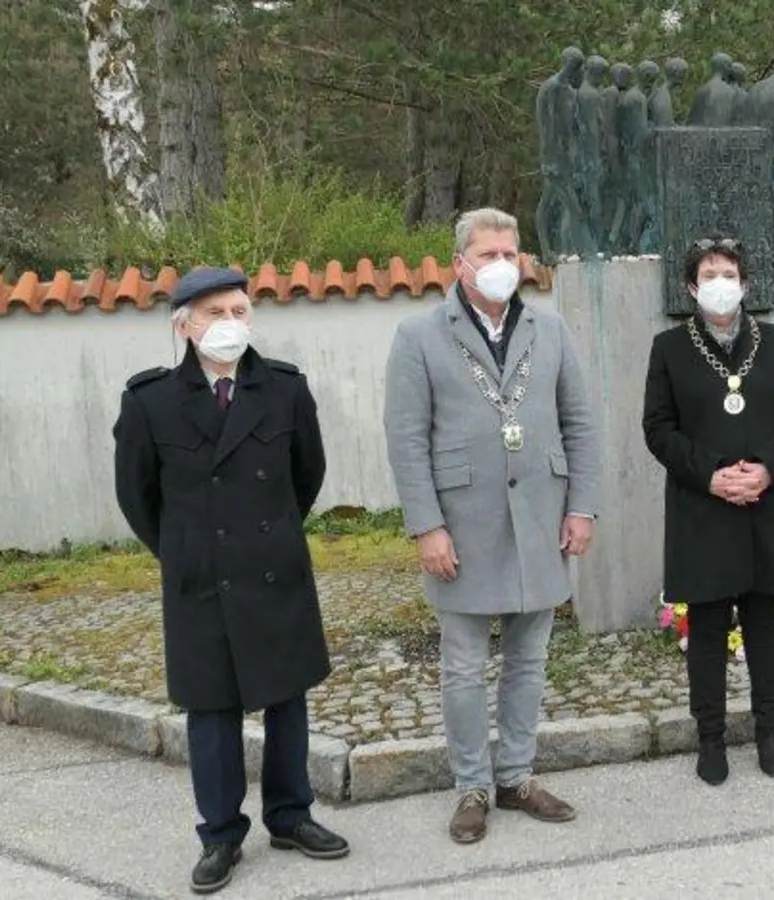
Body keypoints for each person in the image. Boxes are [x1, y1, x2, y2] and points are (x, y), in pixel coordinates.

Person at [112, 267, 348, 895]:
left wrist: (271, 535)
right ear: (184, 326)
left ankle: (291, 816)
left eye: (240, 311)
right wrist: (185, 551)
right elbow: (137, 496)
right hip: (201, 578)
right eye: (215, 313)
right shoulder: (149, 401)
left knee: (287, 699)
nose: (230, 323)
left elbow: (307, 474)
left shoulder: (286, 389)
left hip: (275, 569)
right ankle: (220, 834)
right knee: (211, 710)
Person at [383, 208, 599, 842]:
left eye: (511, 254)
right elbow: (406, 440)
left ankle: (517, 777)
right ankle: (472, 786)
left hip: (540, 519)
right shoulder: (419, 335)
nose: (503, 265)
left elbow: (579, 423)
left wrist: (581, 507)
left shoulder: (549, 328)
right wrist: (426, 526)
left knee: (529, 659)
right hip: (462, 524)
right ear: (461, 265)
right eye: (489, 254)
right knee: (463, 667)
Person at [642, 235, 774, 785]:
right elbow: (658, 429)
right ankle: (711, 739)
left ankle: (770, 733)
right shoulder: (669, 348)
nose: (720, 284)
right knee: (708, 632)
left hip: (768, 504)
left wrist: (767, 469)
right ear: (691, 287)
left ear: (745, 284)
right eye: (709, 275)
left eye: (729, 274)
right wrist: (713, 475)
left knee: (765, 627)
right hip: (704, 509)